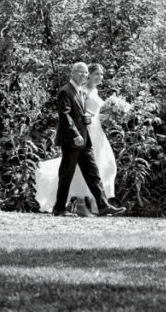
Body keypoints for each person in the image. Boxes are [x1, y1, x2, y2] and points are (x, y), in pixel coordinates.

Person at [35, 62, 124, 216]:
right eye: (80, 72)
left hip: (85, 139)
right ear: (73, 73)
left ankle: (103, 206)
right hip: (72, 140)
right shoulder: (65, 91)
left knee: (93, 173)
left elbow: (80, 114)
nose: (83, 75)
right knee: (66, 175)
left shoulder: (80, 92)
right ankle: (59, 208)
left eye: (85, 72)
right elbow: (65, 114)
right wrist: (75, 134)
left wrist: (86, 119)